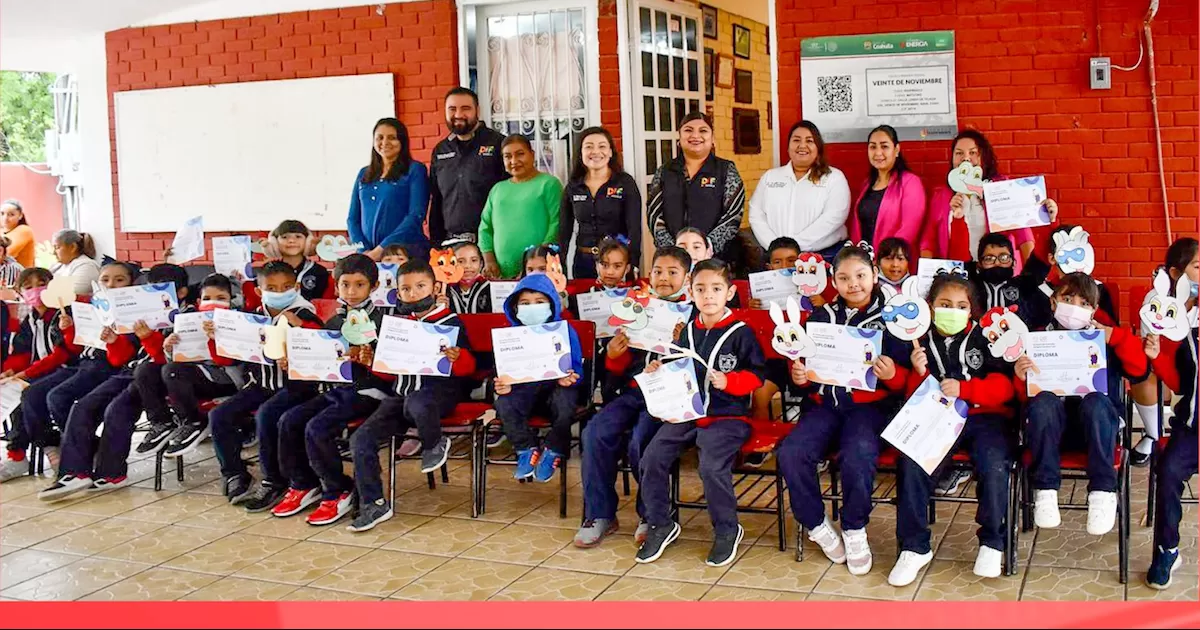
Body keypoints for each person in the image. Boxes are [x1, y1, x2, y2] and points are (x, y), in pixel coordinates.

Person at [777, 243, 909, 576]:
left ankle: (854, 528)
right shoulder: (821, 317)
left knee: (858, 453)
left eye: (861, 275)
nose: (853, 284)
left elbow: (906, 381)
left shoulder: (892, 319)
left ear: (875, 275)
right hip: (824, 406)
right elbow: (803, 370)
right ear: (833, 281)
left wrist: (892, 375)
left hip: (869, 409)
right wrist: (800, 377)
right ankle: (816, 524)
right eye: (844, 278)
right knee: (792, 452)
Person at [635, 259, 765, 568]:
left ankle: (727, 529)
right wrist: (658, 369)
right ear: (691, 292)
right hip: (687, 413)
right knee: (651, 458)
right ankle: (660, 523)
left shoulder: (741, 333)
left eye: (716, 289)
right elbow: (678, 368)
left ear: (730, 293)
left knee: (710, 466)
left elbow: (757, 375)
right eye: (701, 289)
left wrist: (730, 381)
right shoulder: (687, 331)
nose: (708, 296)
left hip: (728, 417)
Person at [890, 273, 1016, 586]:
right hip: (936, 419)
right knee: (910, 461)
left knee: (994, 464)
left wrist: (966, 390)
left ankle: (992, 541)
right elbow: (909, 396)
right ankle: (914, 546)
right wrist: (918, 373)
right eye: (945, 304)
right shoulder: (918, 340)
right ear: (930, 307)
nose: (953, 311)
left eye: (961, 306)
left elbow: (1005, 387)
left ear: (971, 309)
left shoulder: (986, 337)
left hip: (985, 417)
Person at [38, 264, 190, 500]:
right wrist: (113, 342)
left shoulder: (185, 316)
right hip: (129, 371)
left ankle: (112, 473)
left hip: (155, 378)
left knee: (117, 410)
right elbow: (121, 358)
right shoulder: (135, 312)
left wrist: (148, 338)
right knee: (83, 406)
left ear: (180, 292)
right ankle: (74, 473)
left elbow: (166, 359)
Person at [347, 259, 478, 532]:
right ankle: (374, 503)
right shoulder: (397, 326)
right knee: (361, 439)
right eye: (406, 289)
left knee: (419, 400)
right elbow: (389, 374)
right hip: (400, 396)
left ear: (435, 287)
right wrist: (372, 362)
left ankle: (434, 443)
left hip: (438, 395)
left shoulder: (450, 323)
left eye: (420, 286)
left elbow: (469, 369)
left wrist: (458, 357)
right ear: (398, 292)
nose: (413, 293)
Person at [574, 245, 692, 548]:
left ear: (687, 278)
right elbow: (617, 369)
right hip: (632, 392)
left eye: (672, 272)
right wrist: (615, 356)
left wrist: (682, 346)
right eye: (658, 271)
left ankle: (650, 513)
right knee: (594, 433)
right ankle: (600, 514)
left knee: (642, 439)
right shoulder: (636, 307)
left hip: (668, 399)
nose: (663, 278)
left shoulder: (693, 313)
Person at [1018, 272, 1148, 536]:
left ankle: (1103, 492)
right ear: (1053, 302)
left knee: (1096, 402)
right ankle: (1045, 489)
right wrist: (1020, 376)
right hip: (1050, 433)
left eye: (1084, 303)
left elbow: (1139, 371)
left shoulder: (1105, 338)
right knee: (1043, 402)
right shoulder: (1037, 339)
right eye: (1067, 299)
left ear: (1094, 309)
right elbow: (1022, 397)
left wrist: (1117, 338)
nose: (1074, 307)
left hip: (1098, 432)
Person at [273, 254, 389, 526]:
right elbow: (321, 363)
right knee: (288, 420)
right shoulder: (335, 322)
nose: (351, 291)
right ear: (336, 287)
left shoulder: (384, 322)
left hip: (370, 393)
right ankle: (304, 483)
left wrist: (370, 360)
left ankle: (337, 489)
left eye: (359, 285)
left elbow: (393, 372)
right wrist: (294, 361)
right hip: (337, 391)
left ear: (373, 287)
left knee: (318, 427)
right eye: (345, 284)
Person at [206, 261, 325, 505]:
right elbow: (226, 360)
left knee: (266, 415)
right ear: (259, 291)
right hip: (261, 384)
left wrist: (301, 328)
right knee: (219, 415)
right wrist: (215, 338)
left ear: (296, 287)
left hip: (297, 387)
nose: (279, 292)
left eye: (286, 287)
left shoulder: (304, 314)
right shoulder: (252, 317)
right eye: (271, 288)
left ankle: (274, 480)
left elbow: (320, 351)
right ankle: (235, 474)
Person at [16, 261, 137, 482]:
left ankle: (80, 448)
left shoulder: (130, 312)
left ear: (131, 284)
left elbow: (120, 358)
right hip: (82, 363)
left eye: (119, 280)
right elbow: (77, 345)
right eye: (105, 280)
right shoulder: (91, 307)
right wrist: (70, 328)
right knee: (32, 393)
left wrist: (113, 341)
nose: (111, 285)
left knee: (59, 397)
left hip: (105, 367)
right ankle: (70, 446)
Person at [493, 272, 583, 482]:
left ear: (552, 304)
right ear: (515, 308)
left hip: (556, 392)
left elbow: (578, 369)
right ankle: (526, 448)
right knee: (504, 402)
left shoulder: (566, 331)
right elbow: (504, 371)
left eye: (540, 302)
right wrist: (504, 385)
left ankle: (554, 449)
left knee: (566, 401)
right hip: (524, 393)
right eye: (525, 303)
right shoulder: (510, 336)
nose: (532, 307)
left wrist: (571, 377)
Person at [150, 274, 243, 458]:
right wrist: (170, 348)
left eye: (221, 298)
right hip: (191, 378)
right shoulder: (188, 320)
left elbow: (228, 361)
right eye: (207, 298)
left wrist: (215, 339)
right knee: (148, 370)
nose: (213, 302)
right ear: (199, 301)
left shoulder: (237, 321)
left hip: (224, 379)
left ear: (230, 301)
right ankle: (162, 423)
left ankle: (194, 422)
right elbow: (175, 360)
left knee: (173, 371)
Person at [1144, 283, 1198, 589]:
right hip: (1191, 431)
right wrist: (1157, 357)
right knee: (1168, 471)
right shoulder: (1187, 335)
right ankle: (1168, 549)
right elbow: (1179, 384)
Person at [922, 130, 1036, 274]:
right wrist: (924, 275)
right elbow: (928, 241)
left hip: (997, 272)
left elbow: (1023, 234)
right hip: (958, 274)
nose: (966, 158)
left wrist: (1032, 275)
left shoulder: (1000, 187)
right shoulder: (941, 196)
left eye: (973, 153)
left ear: (983, 157)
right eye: (959, 153)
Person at [1132, 237, 1198, 465]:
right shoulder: (1156, 301)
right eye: (1197, 267)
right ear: (1175, 273)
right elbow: (1154, 347)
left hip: (1194, 370)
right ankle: (1153, 434)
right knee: (1141, 371)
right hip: (1166, 365)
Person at [647, 112, 746, 263]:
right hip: (673, 260)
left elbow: (734, 214)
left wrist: (706, 248)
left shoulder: (726, 170)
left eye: (703, 130)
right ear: (679, 137)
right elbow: (654, 214)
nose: (695, 135)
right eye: (688, 130)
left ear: (712, 138)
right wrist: (673, 250)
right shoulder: (665, 171)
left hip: (715, 260)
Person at [749, 120, 851, 262]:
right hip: (776, 258)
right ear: (788, 146)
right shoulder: (770, 177)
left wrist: (793, 247)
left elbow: (834, 217)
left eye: (809, 141)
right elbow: (756, 214)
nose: (802, 145)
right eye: (796, 140)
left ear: (818, 147)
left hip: (823, 257)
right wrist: (775, 247)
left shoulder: (834, 177)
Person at [0, 268, 61, 481]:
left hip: (63, 370)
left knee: (29, 393)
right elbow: (22, 351)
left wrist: (25, 373)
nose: (36, 290)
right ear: (20, 293)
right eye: (28, 287)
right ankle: (16, 455)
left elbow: (61, 355)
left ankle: (50, 446)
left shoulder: (62, 315)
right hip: (37, 371)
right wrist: (12, 370)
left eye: (42, 284)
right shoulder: (30, 319)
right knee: (13, 389)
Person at [558, 127, 642, 279]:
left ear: (610, 152)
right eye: (589, 147)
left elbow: (634, 229)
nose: (595, 152)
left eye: (602, 146)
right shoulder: (573, 186)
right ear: (580, 153)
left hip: (616, 264)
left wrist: (633, 263)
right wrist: (559, 264)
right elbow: (564, 231)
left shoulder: (625, 183)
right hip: (583, 262)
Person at [427, 87, 508, 245]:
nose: (458, 115)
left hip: (492, 242)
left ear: (478, 110)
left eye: (465, 108)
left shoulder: (499, 143)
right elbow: (437, 200)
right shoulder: (440, 150)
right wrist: (436, 243)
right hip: (451, 244)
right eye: (452, 109)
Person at [479, 134, 563, 279]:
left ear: (532, 155)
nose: (514, 161)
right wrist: (489, 261)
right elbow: (485, 228)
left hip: (538, 272)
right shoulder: (498, 189)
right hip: (501, 275)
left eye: (520, 154)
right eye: (507, 156)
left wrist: (536, 264)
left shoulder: (548, 184)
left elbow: (556, 223)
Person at [348, 118, 430, 261]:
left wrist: (381, 249)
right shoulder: (364, 173)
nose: (385, 142)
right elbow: (352, 219)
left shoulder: (414, 170)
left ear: (402, 141)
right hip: (369, 256)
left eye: (392, 138)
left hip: (404, 254)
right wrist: (364, 251)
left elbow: (416, 215)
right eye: (379, 138)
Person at [847, 125, 925, 259]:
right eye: (873, 147)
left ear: (896, 150)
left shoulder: (910, 183)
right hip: (865, 262)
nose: (878, 153)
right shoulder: (866, 185)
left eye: (884, 146)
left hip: (894, 262)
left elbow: (909, 229)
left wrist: (885, 257)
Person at [242, 220, 333, 312]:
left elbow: (326, 305)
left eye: (298, 236)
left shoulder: (319, 272)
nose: (291, 241)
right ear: (274, 242)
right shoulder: (266, 271)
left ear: (308, 241)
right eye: (284, 237)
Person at [49, 230, 101, 297]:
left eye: (57, 247)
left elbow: (71, 294)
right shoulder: (57, 266)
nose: (53, 253)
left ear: (73, 247)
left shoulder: (87, 266)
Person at [444, 239, 491, 314]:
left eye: (474, 260)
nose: (468, 266)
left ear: (481, 264)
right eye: (460, 261)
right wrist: (439, 308)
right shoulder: (444, 289)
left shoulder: (490, 287)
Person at [1, 199, 35, 268]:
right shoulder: (1, 231)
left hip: (22, 273)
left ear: (20, 215)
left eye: (11, 215)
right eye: (2, 214)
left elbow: (8, 252)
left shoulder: (24, 230)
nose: (5, 218)